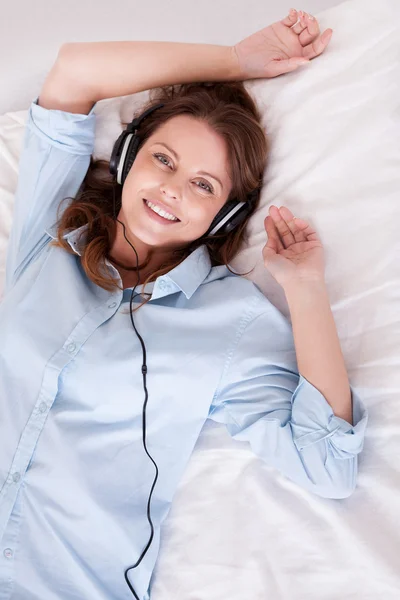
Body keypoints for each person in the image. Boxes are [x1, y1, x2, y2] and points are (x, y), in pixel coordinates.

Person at [0, 8, 368, 600]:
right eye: (163, 160)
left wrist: (305, 291)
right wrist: (235, 62)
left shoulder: (229, 320)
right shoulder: (51, 233)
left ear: (224, 215)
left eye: (203, 184)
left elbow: (328, 467)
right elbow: (74, 71)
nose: (172, 188)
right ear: (126, 161)